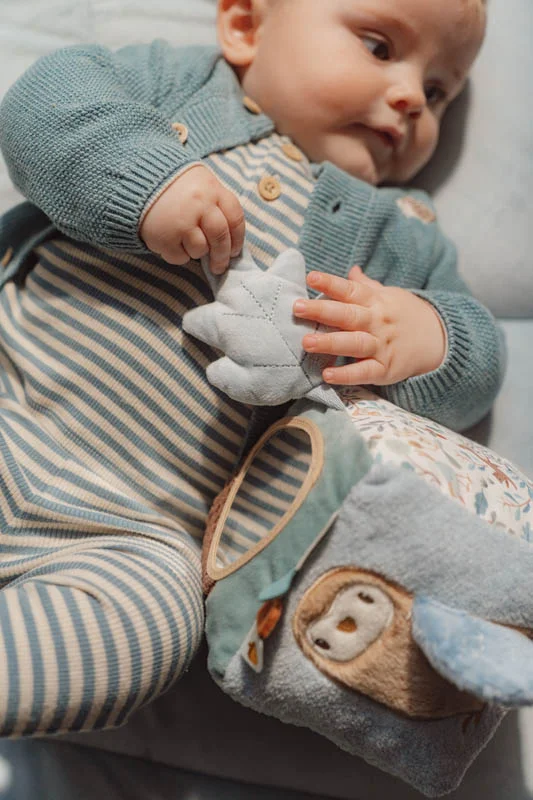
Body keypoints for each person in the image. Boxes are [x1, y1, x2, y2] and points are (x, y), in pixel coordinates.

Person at [0, 0, 503, 738]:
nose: (408, 98)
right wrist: (144, 182)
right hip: (11, 392)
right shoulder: (180, 87)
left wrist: (422, 334)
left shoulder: (398, 232)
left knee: (152, 630)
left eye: (437, 93)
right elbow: (46, 103)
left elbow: (479, 359)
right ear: (244, 27)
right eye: (377, 45)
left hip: (131, 530)